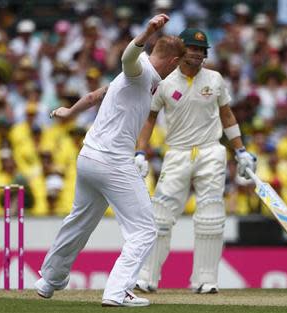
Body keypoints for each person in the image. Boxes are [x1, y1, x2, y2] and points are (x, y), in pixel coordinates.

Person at [34, 14, 185, 307]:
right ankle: (118, 291)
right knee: (144, 229)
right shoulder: (140, 70)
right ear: (171, 61)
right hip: (112, 162)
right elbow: (129, 57)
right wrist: (147, 31)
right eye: (177, 64)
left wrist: (70, 112)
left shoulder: (137, 78)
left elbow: (95, 95)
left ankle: (49, 280)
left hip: (89, 157)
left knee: (79, 222)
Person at [134, 28, 257, 294]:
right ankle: (147, 277)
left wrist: (241, 151)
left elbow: (227, 116)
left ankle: (205, 280)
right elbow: (149, 119)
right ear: (180, 51)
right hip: (177, 152)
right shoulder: (165, 82)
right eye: (193, 49)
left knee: (211, 217)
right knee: (160, 217)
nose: (199, 54)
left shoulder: (215, 79)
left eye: (202, 50)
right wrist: (140, 152)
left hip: (210, 151)